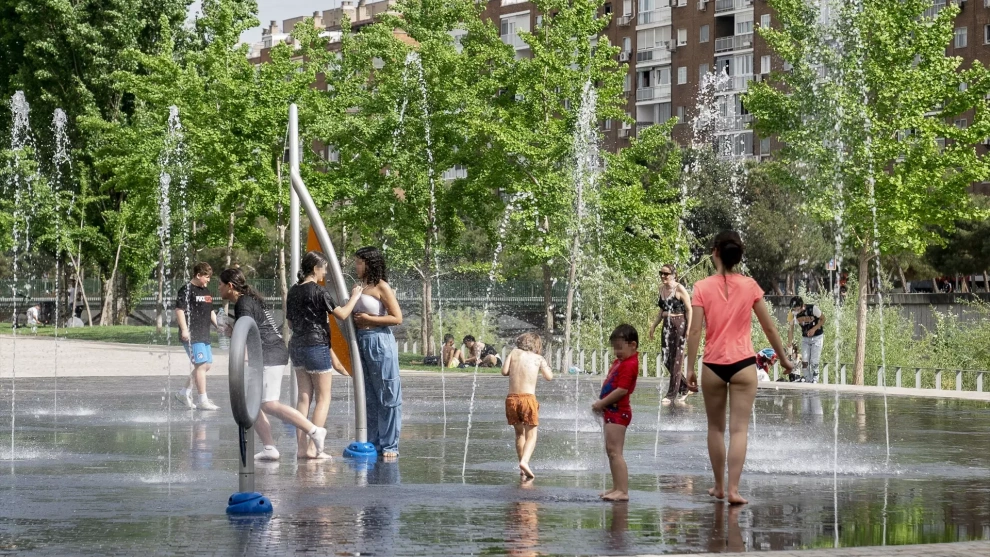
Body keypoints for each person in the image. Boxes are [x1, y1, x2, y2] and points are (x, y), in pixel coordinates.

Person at [686, 231, 793, 505]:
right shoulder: (750, 286)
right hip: (744, 365)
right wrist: (783, 359)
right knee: (739, 430)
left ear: (715, 252)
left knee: (715, 429)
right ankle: (734, 490)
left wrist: (689, 368)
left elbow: (695, 331)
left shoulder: (702, 287)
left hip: (712, 365)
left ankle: (719, 487)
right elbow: (769, 327)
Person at [218, 268, 328, 461]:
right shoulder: (248, 300)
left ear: (230, 286)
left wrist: (239, 352)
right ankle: (269, 447)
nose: (218, 288)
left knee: (269, 404)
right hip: (266, 353)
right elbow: (251, 329)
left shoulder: (243, 303)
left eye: (220, 284)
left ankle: (314, 430)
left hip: (269, 353)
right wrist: (230, 332)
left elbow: (247, 332)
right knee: (252, 402)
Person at [287, 251, 363, 460]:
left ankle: (301, 449)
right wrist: (355, 296)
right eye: (324, 268)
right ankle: (314, 449)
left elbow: (290, 323)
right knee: (323, 397)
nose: (326, 272)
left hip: (297, 346)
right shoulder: (319, 292)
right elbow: (342, 314)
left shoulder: (293, 291)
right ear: (315, 268)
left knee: (304, 398)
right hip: (316, 346)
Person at [351, 246, 404, 461]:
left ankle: (390, 443)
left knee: (387, 394)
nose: (356, 266)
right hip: (361, 341)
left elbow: (397, 318)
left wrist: (369, 319)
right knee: (369, 396)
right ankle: (374, 441)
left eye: (359, 262)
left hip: (379, 342)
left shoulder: (382, 286)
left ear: (370, 264)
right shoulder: (359, 287)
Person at [592, 324, 640, 502]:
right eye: (614, 348)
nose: (616, 352)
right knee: (611, 451)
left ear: (632, 345)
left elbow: (622, 390)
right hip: (612, 411)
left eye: (619, 347)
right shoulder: (621, 362)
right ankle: (616, 487)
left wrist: (601, 403)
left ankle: (623, 490)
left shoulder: (630, 364)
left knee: (616, 452)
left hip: (619, 412)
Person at [501, 332, 554, 479]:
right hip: (528, 399)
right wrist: (544, 365)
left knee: (519, 434)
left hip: (512, 399)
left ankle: (522, 466)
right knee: (532, 435)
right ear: (536, 345)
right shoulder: (538, 358)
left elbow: (504, 371)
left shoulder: (513, 353)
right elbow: (549, 377)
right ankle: (525, 462)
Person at [174, 262, 220, 411]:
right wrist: (184, 330)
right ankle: (202, 400)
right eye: (207, 277)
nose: (208, 280)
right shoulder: (186, 290)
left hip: (204, 334)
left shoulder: (206, 291)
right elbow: (179, 310)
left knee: (207, 365)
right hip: (192, 335)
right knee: (200, 365)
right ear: (198, 275)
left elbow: (211, 311)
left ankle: (183, 393)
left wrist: (218, 326)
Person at [648, 264, 693, 405]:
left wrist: (689, 329)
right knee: (666, 358)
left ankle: (671, 394)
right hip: (666, 325)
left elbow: (689, 309)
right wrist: (653, 326)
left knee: (677, 360)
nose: (663, 276)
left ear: (673, 275)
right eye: (661, 273)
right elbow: (661, 311)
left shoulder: (679, 289)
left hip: (679, 324)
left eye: (666, 274)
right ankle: (685, 387)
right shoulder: (661, 289)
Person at [787, 296, 825, 383]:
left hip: (817, 337)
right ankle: (807, 379)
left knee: (814, 360)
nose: (796, 311)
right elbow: (790, 328)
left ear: (802, 306)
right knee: (805, 360)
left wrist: (814, 329)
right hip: (805, 338)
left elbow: (823, 319)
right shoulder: (792, 313)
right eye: (794, 309)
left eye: (797, 309)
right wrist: (790, 342)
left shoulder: (812, 309)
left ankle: (815, 379)